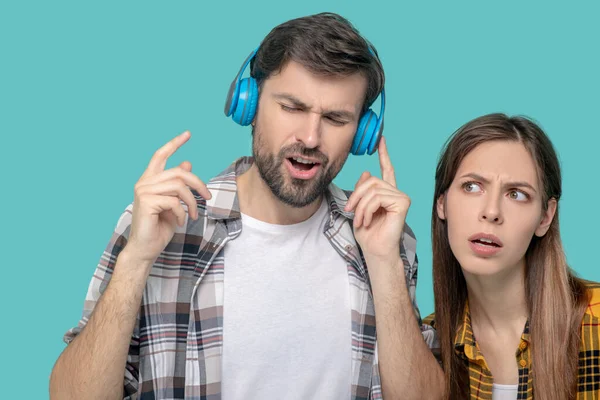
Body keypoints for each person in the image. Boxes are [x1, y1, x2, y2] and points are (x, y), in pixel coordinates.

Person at [49, 12, 442, 400]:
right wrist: (136, 259)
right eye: (292, 107)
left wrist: (386, 264)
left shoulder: (382, 237)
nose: (310, 137)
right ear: (249, 103)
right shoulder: (163, 221)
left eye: (336, 118)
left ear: (363, 134)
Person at [425, 113, 600, 399]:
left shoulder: (596, 319)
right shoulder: (427, 344)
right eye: (472, 186)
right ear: (441, 203)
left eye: (516, 194)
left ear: (545, 217)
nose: (491, 212)